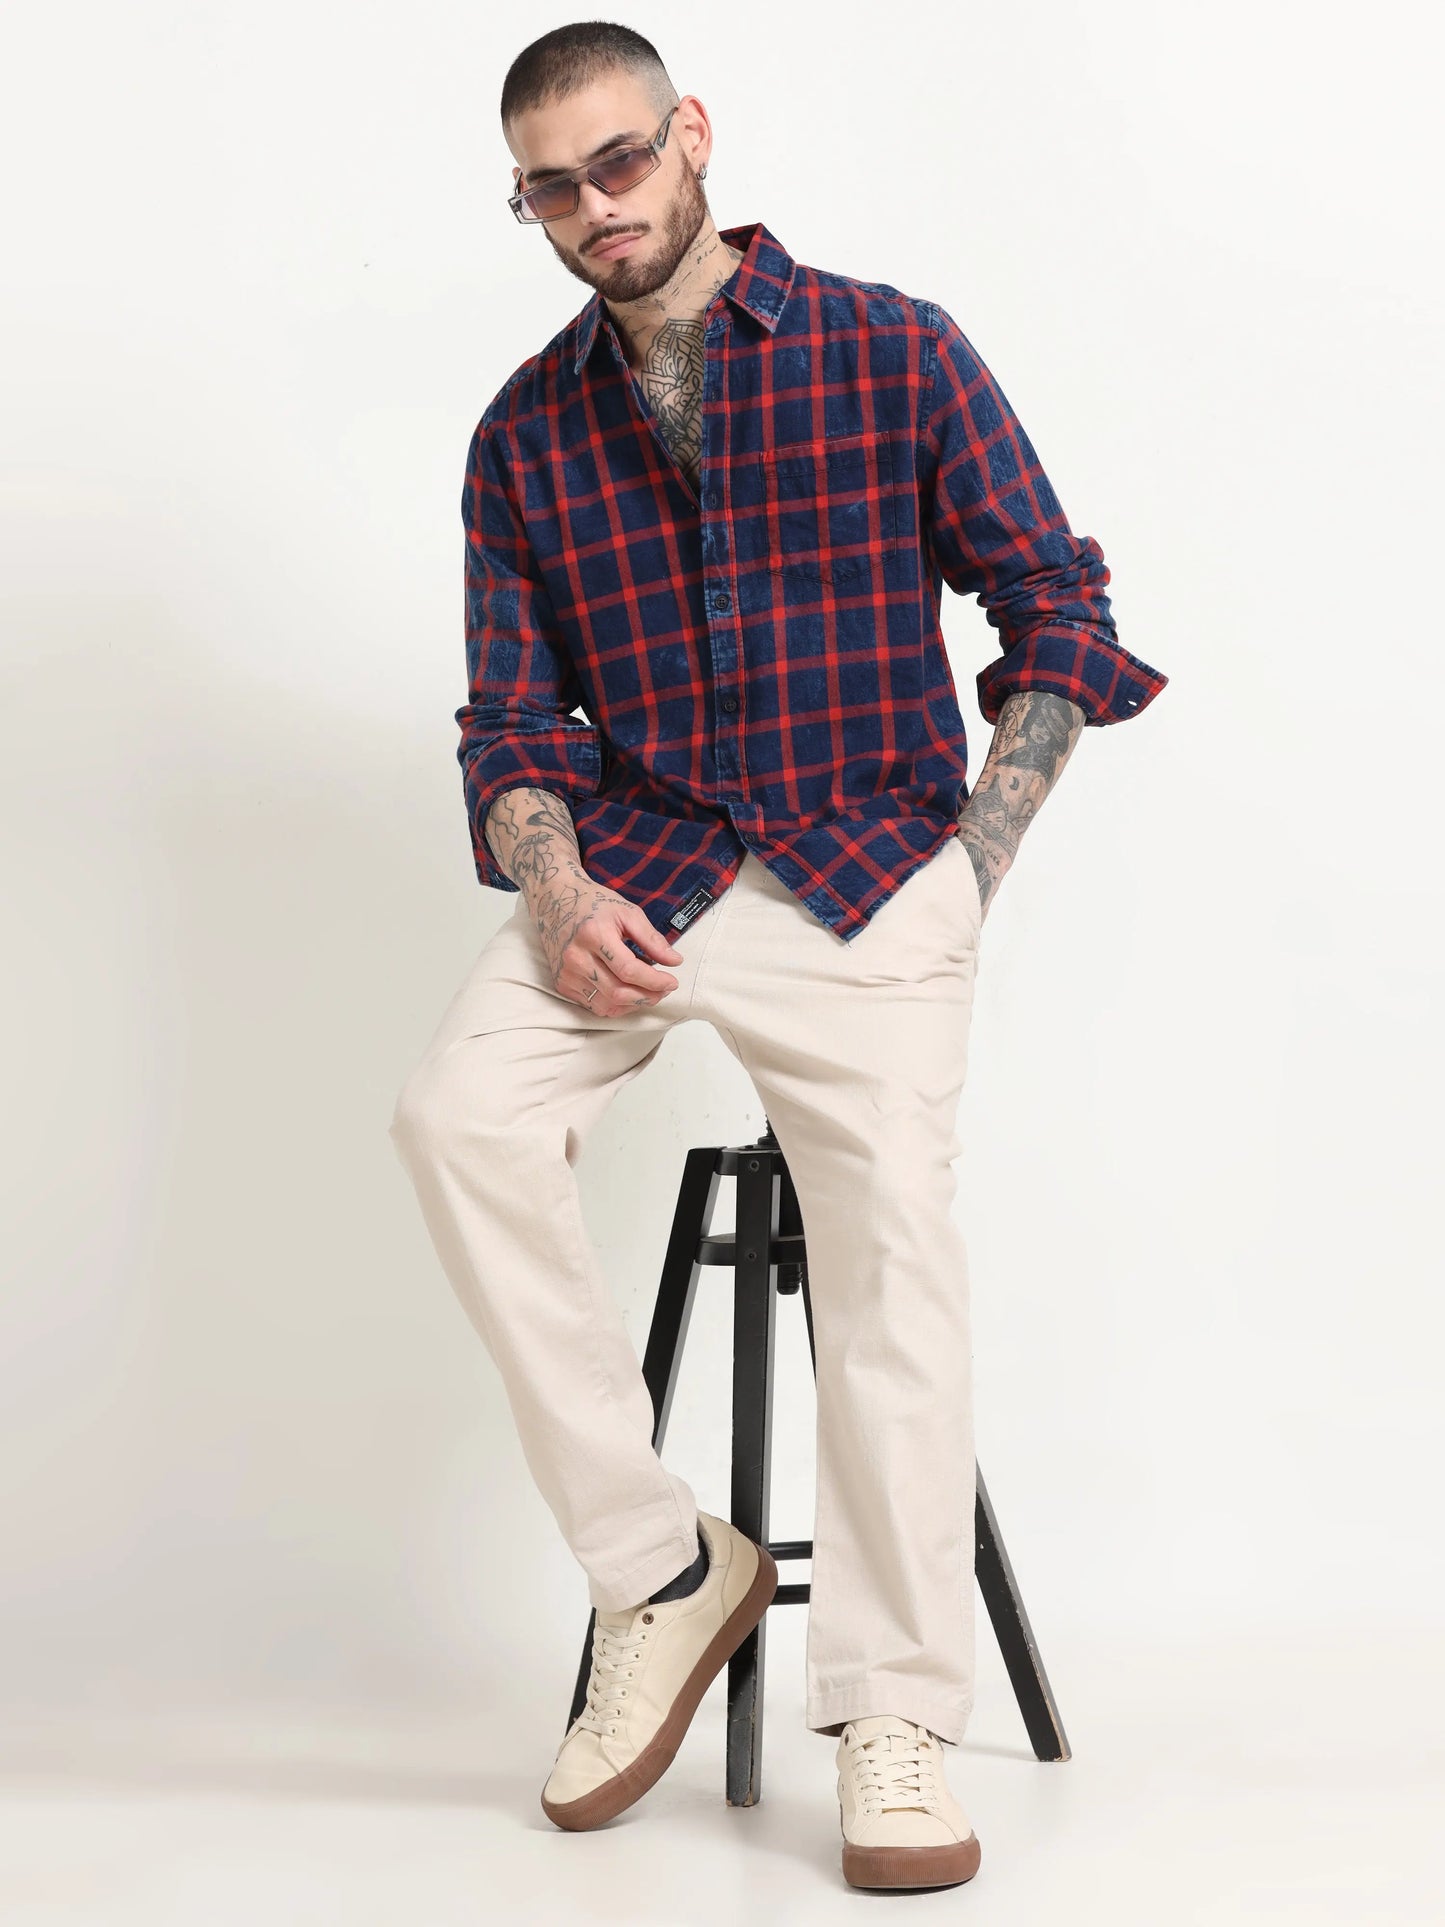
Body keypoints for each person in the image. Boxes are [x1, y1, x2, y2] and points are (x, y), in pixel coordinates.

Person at [389, 19, 1167, 1893]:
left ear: (690, 137)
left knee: (889, 1242)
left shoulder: (891, 348)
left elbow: (1053, 600)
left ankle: (893, 1707)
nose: (596, 209)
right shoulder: (522, 431)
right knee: (454, 1120)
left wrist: (973, 864)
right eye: (551, 189)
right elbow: (512, 722)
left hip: (870, 867)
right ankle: (663, 1568)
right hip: (641, 874)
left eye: (618, 162)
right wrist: (556, 893)